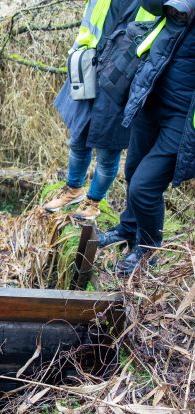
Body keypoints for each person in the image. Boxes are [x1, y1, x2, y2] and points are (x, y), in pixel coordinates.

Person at [98, 0, 195, 275]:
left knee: (144, 187)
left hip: (183, 119)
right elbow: (151, 5)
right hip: (151, 98)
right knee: (132, 171)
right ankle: (128, 229)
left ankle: (149, 250)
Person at [44, 0, 153, 220]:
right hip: (90, 67)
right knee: (78, 138)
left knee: (107, 151)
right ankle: (73, 190)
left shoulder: (157, 3)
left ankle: (93, 203)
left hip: (122, 82)